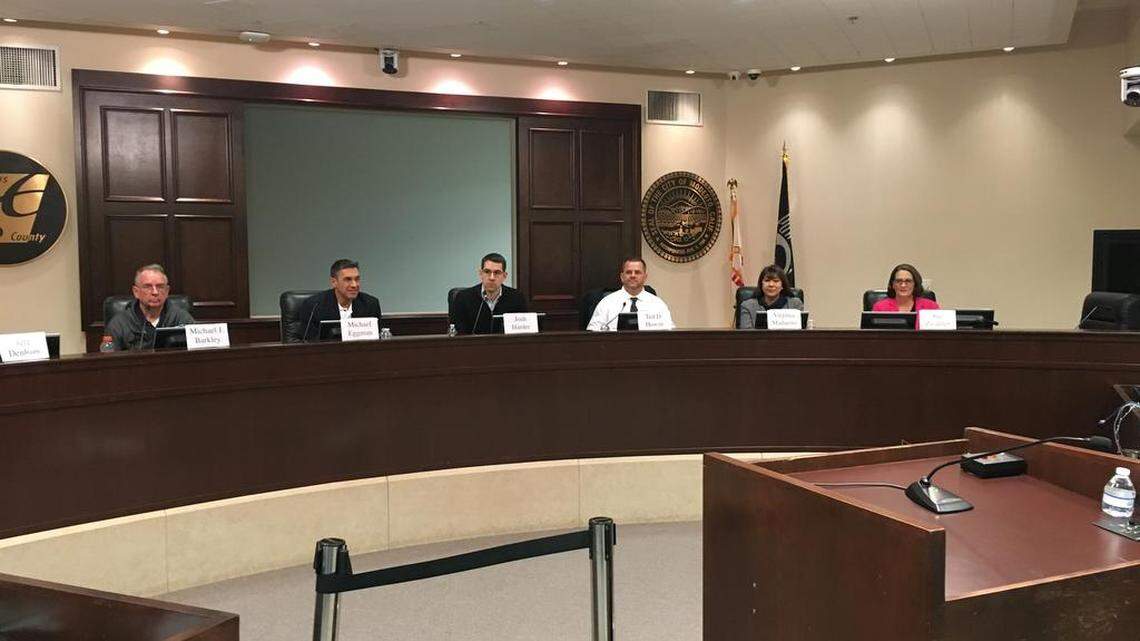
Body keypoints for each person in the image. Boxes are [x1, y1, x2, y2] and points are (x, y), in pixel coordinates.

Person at [105, 263, 196, 350]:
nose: (155, 292)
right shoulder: (119, 324)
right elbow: (109, 361)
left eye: (160, 287)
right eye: (148, 287)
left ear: (167, 291)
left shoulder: (181, 318)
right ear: (136, 292)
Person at [296, 259, 383, 342]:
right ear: (334, 282)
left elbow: (378, 341)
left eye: (357, 279)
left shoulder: (370, 304)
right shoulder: (314, 306)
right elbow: (308, 344)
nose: (354, 285)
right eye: (348, 279)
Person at [449, 252, 529, 334]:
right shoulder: (463, 298)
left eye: (497, 273)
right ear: (481, 274)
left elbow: (524, 333)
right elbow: (458, 335)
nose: (492, 277)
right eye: (487, 272)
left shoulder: (516, 298)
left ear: (504, 276)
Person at [587, 256, 674, 331]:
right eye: (628, 272)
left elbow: (669, 334)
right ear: (622, 277)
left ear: (645, 277)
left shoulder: (658, 304)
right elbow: (593, 334)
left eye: (637, 272)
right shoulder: (606, 303)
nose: (633, 275)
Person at [738, 264, 804, 329]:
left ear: (782, 285)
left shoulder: (795, 305)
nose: (771, 284)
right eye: (767, 281)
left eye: (776, 281)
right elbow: (746, 336)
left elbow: (802, 334)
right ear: (761, 284)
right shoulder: (747, 306)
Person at [872, 263, 940, 312]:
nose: (903, 285)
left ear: (915, 284)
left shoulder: (931, 307)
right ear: (893, 285)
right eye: (899, 281)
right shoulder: (880, 308)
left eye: (908, 281)